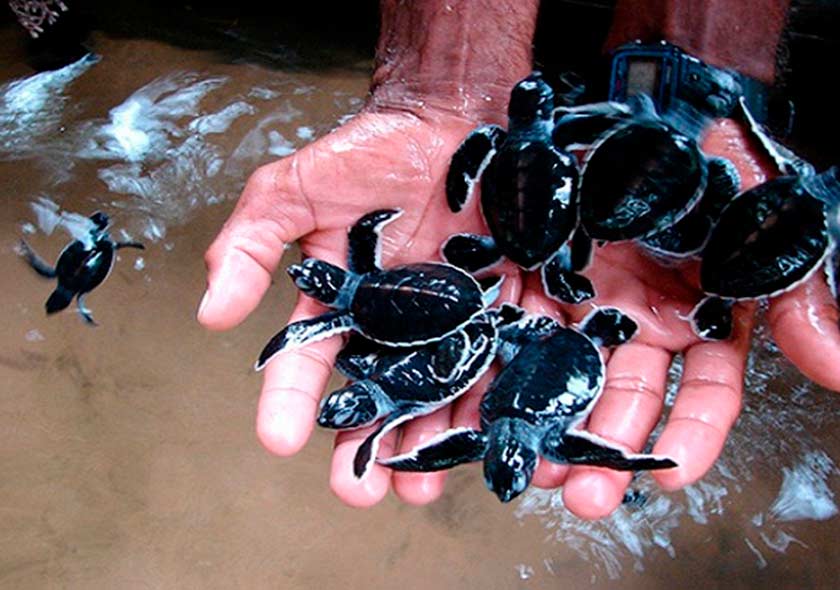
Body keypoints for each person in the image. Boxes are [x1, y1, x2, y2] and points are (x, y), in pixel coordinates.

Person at [197, 0, 840, 518]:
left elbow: (501, 158)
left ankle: (562, 267)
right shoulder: (561, 139)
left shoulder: (524, 142)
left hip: (518, 270)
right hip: (525, 270)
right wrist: (443, 88)